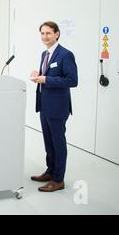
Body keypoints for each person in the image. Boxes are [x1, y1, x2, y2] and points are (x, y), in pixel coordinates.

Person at [30, 21, 78, 192]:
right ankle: (50, 171)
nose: (45, 37)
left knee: (58, 143)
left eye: (48, 33)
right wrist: (38, 75)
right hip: (44, 105)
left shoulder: (66, 55)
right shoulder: (45, 53)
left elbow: (72, 80)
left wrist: (46, 79)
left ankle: (58, 180)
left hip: (58, 107)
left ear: (57, 34)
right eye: (42, 33)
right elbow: (47, 74)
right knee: (48, 142)